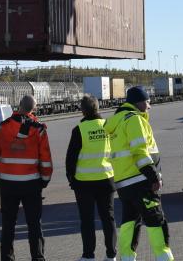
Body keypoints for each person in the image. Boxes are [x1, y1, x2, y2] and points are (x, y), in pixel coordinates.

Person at [106, 86, 174, 261]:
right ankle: (164, 258)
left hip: (124, 183)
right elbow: (140, 152)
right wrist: (153, 176)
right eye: (148, 102)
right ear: (140, 102)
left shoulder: (117, 121)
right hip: (141, 181)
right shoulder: (134, 120)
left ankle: (127, 258)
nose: (150, 106)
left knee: (130, 222)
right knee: (156, 220)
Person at [0, 95, 53, 261]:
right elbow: (45, 159)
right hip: (32, 183)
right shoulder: (38, 130)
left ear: (19, 106)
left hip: (7, 183)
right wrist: (44, 180)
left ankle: (7, 258)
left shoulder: (2, 128)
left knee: (8, 224)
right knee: (34, 224)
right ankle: (38, 257)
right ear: (34, 109)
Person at [66, 95, 117, 261]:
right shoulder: (109, 126)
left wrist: (71, 179)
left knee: (87, 220)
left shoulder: (79, 130)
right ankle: (111, 255)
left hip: (84, 182)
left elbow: (70, 159)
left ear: (82, 110)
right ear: (98, 108)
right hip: (106, 179)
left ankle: (88, 256)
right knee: (108, 218)